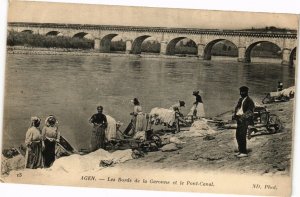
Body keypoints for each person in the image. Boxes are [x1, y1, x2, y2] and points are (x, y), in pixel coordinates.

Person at [232, 86, 255, 158]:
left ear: (246, 92)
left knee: (242, 136)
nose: (241, 93)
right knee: (238, 135)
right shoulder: (241, 100)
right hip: (239, 119)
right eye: (241, 92)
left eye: (243, 92)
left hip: (245, 120)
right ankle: (240, 150)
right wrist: (235, 115)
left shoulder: (249, 101)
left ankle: (244, 152)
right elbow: (238, 108)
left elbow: (250, 112)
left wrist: (242, 117)